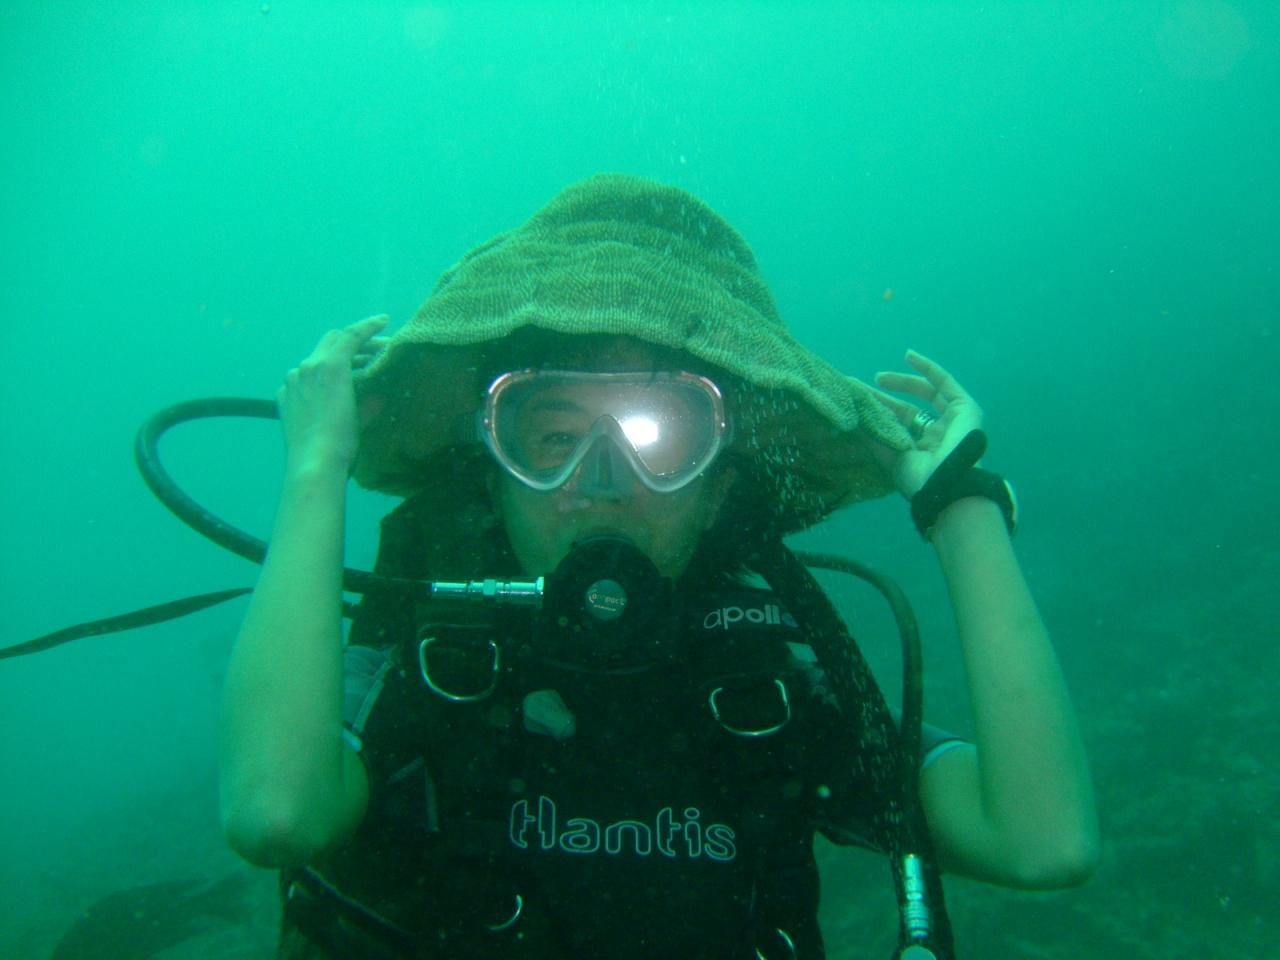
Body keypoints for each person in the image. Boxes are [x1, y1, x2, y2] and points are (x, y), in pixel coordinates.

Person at [218, 174, 1099, 959]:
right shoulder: (422, 670)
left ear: (718, 491)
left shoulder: (764, 692)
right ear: (492, 477)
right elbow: (275, 811)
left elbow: (1040, 840)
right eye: (553, 440)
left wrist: (960, 506)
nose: (599, 486)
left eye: (658, 439)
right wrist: (315, 468)